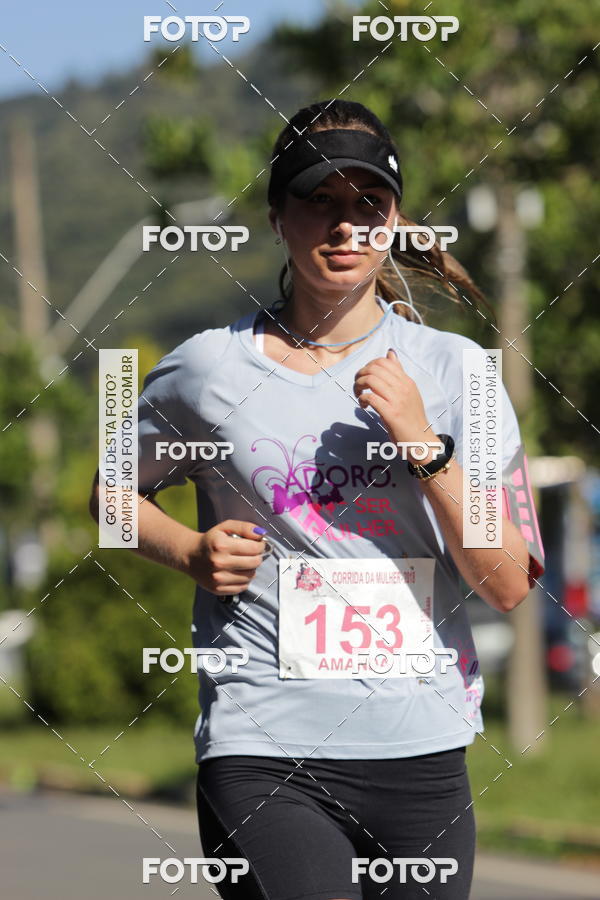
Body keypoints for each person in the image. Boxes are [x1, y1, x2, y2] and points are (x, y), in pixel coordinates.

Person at [90, 99, 544, 899]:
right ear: (277, 216)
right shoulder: (205, 372)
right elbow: (111, 494)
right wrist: (187, 551)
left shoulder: (459, 373)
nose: (345, 226)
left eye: (368, 203)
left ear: (396, 218)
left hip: (422, 749)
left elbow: (506, 582)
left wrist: (425, 447)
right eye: (319, 201)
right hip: (263, 745)